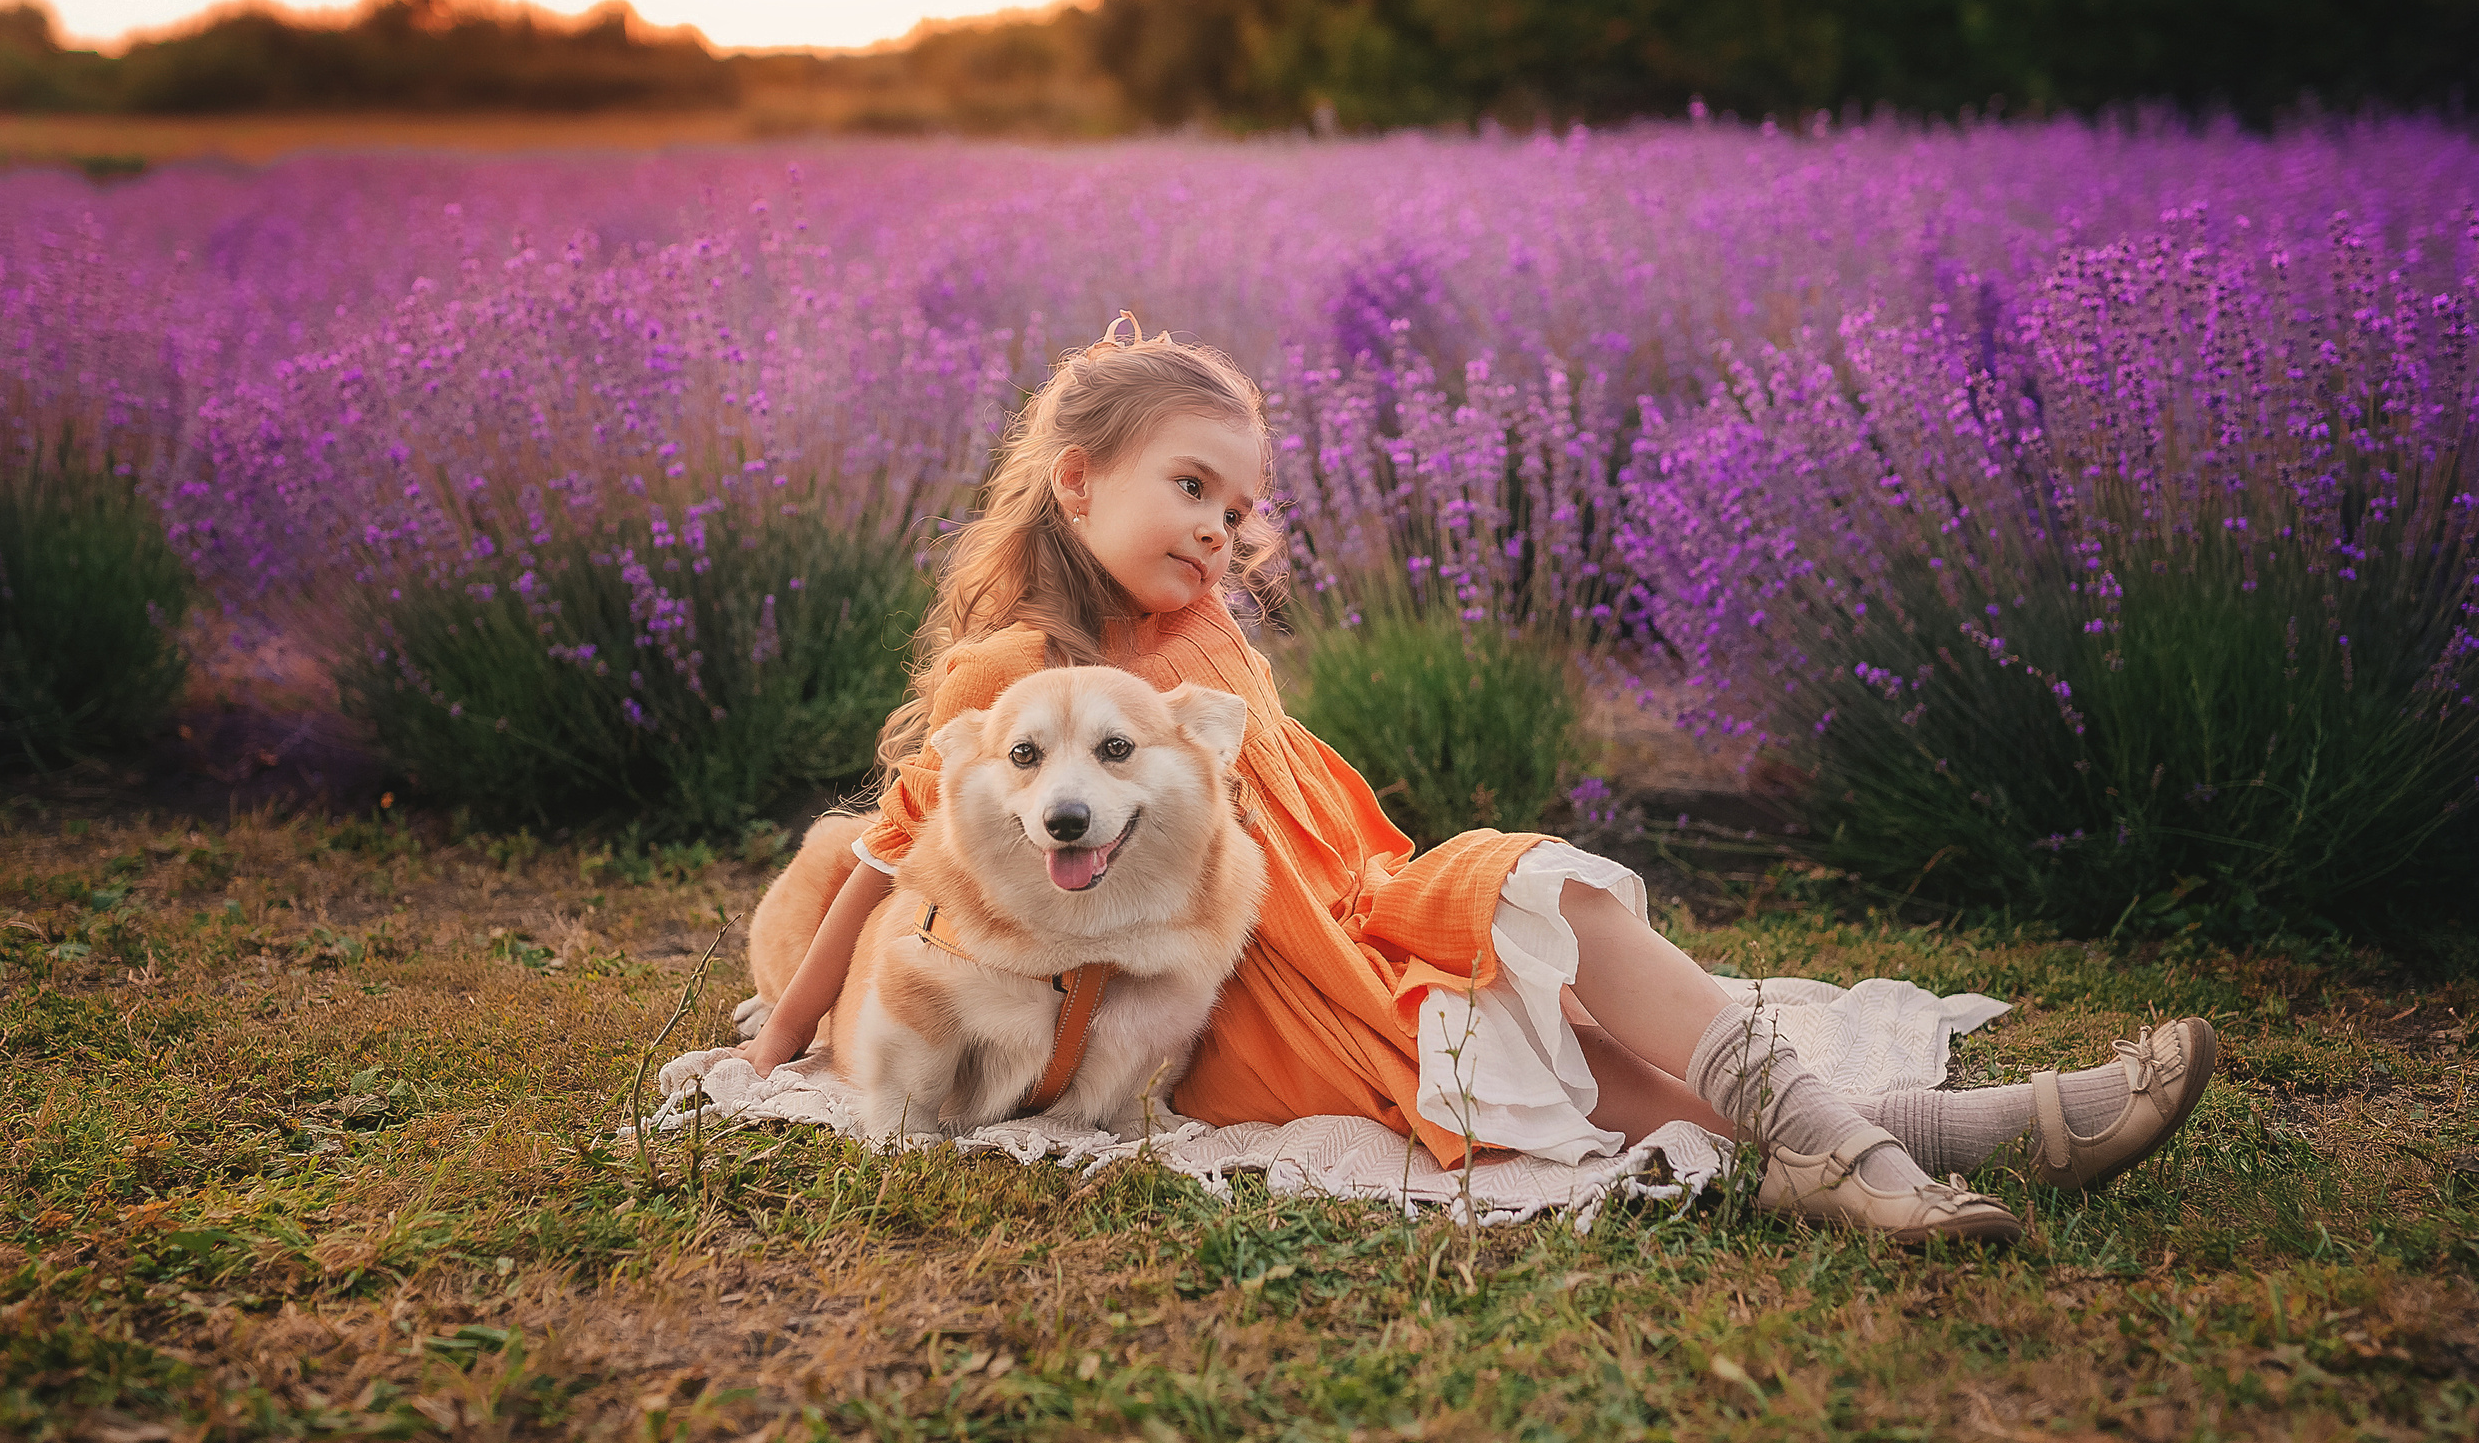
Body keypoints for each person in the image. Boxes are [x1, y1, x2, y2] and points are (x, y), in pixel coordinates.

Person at [737, 322, 2214, 1244]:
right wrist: (789, 1030)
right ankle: (1909, 1154)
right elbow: (893, 851)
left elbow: (1299, 813)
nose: (1219, 529)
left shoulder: (1202, 630)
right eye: (1189, 487)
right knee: (1559, 1016)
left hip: (1354, 903)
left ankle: (1897, 1149)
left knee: (1563, 949)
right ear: (1076, 481)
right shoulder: (1019, 678)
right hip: (1258, 994)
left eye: (1238, 507)